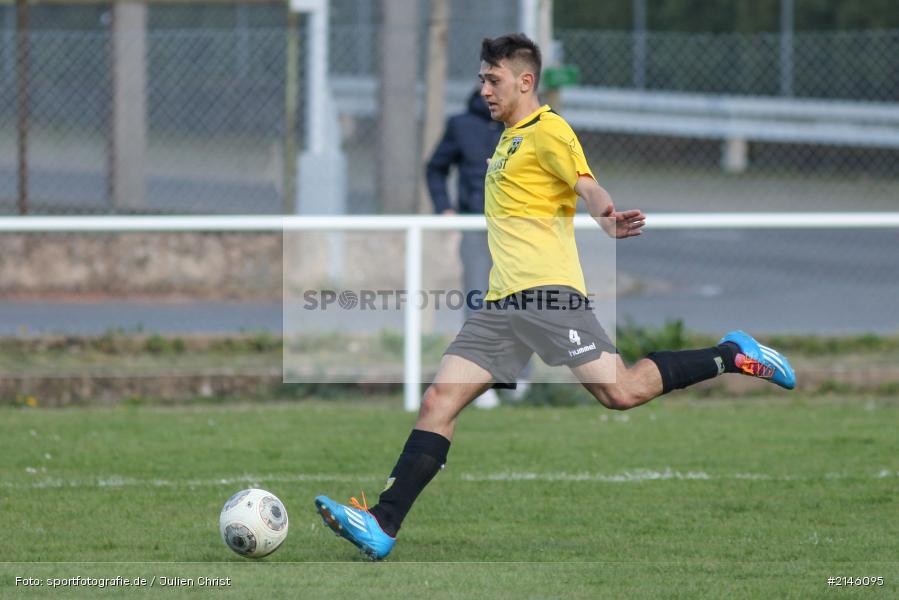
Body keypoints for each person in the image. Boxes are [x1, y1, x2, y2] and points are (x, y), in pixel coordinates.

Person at [314, 33, 795, 561]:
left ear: (525, 81)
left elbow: (587, 184)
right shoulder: (505, 137)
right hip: (501, 304)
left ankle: (733, 355)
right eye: (481, 79)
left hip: (547, 295)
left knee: (622, 392)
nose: (484, 90)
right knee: (438, 401)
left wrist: (605, 217)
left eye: (493, 80)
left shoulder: (549, 130)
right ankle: (382, 524)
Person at [425, 89, 505, 408]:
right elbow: (435, 168)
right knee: (478, 301)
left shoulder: (525, 127)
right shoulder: (461, 125)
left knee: (521, 302)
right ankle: (477, 383)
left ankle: (521, 377)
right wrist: (444, 208)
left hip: (519, 232)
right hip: (475, 227)